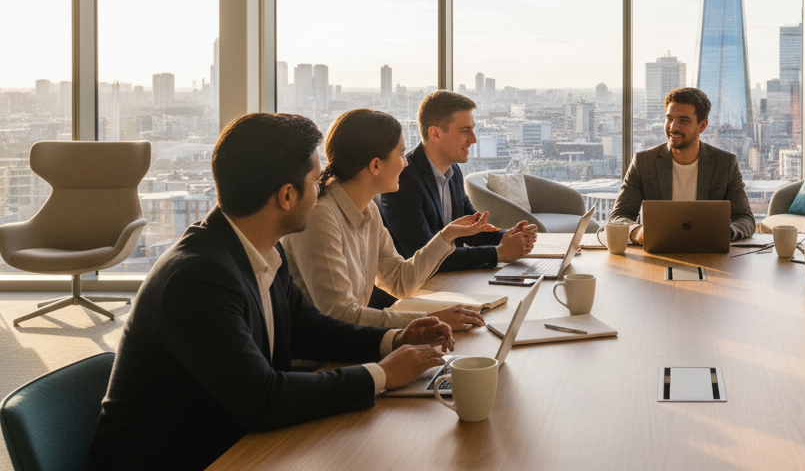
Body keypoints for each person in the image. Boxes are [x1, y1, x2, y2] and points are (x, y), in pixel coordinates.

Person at [90, 113, 457, 471]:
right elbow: (262, 399)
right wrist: (382, 375)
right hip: (187, 457)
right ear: (286, 196)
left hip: (233, 441)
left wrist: (394, 339)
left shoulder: (259, 251)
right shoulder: (197, 279)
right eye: (316, 183)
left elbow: (309, 329)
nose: (322, 191)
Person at [282, 108, 495, 329]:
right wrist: (431, 321)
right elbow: (340, 315)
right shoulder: (320, 216)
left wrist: (446, 236)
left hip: (354, 344)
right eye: (402, 154)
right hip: (321, 360)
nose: (406, 163)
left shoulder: (369, 211)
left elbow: (399, 282)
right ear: (375, 165)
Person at [381, 91, 537, 274]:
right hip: (415, 291)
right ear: (435, 134)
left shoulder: (453, 172)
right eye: (465, 131)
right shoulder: (404, 180)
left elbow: (473, 230)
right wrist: (498, 253)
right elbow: (424, 257)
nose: (474, 139)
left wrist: (510, 236)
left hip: (449, 281)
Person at [608, 87, 755, 243]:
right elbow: (618, 216)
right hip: (657, 254)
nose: (673, 127)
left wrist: (724, 233)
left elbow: (745, 218)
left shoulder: (725, 164)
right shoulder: (644, 162)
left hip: (709, 255)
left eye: (683, 121)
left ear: (702, 126)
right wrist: (637, 232)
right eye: (670, 118)